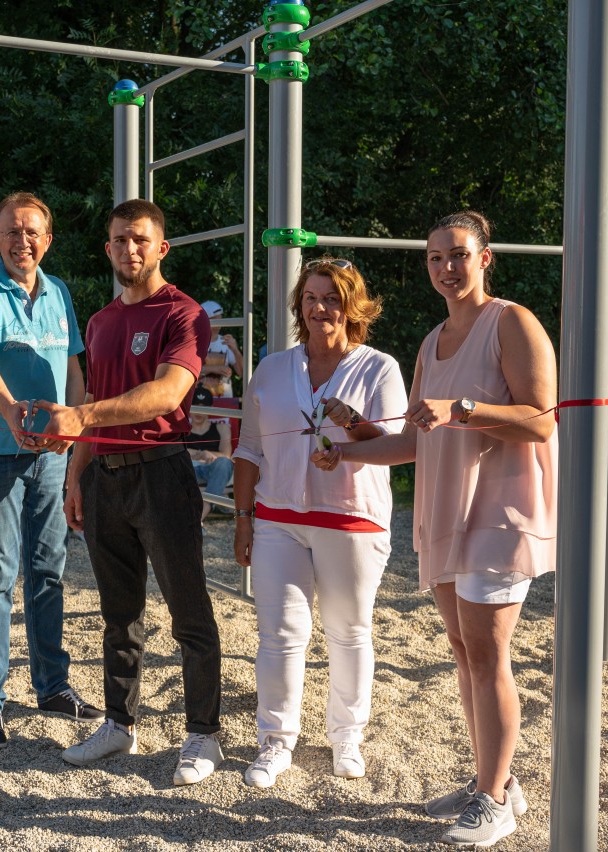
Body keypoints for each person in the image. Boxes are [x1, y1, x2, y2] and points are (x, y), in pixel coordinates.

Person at [312, 211, 557, 846]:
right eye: (435, 258)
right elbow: (413, 444)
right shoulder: (430, 342)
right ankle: (493, 780)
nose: (447, 268)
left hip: (500, 509)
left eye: (458, 255)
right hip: (445, 510)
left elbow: (541, 421)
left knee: (487, 653)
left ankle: (495, 797)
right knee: (463, 651)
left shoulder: (512, 321)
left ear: (485, 258)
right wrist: (347, 450)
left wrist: (464, 409)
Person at [37, 199, 224, 786]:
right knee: (119, 614)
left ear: (161, 247)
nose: (130, 250)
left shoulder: (184, 314)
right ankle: (119, 723)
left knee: (187, 610)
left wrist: (81, 415)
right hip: (104, 479)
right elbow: (87, 417)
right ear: (108, 248)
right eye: (119, 240)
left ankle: (203, 734)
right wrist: (75, 478)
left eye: (140, 239)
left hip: (161, 472)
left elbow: (168, 395)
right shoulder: (98, 322)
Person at [231, 258, 408, 790]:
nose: (319, 307)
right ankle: (276, 741)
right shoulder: (271, 368)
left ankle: (346, 736)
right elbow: (248, 449)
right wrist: (243, 519)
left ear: (351, 306)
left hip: (351, 519)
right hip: (277, 518)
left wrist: (350, 427)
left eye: (331, 297)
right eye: (310, 297)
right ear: (298, 305)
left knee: (348, 632)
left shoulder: (379, 367)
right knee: (280, 633)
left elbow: (396, 446)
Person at [0, 191, 103, 750]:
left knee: (48, 571)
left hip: (50, 452)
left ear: (48, 238)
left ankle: (52, 687)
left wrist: (71, 428)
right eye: (12, 232)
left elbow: (71, 364)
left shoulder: (59, 291)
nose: (23, 242)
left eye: (32, 232)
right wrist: (10, 410)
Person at [181, 385, 234, 525]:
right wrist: (201, 454)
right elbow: (176, 451)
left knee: (224, 463)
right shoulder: (182, 429)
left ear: (209, 408)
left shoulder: (221, 428)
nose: (199, 411)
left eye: (203, 406)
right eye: (196, 406)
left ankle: (202, 513)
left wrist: (196, 453)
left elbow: (226, 455)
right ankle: (197, 518)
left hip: (213, 470)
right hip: (189, 470)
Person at [199, 300, 243, 398]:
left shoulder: (226, 342)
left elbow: (242, 373)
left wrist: (235, 350)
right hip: (201, 402)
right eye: (215, 320)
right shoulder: (195, 344)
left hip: (224, 402)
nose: (218, 325)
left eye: (220, 320)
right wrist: (215, 369)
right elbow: (186, 374)